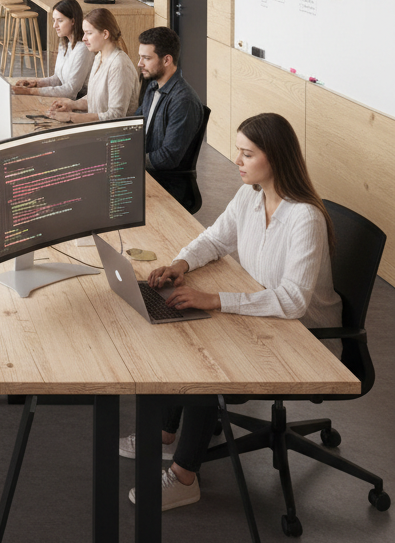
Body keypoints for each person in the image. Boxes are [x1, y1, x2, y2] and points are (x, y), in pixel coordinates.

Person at [120, 113, 342, 511]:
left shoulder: (304, 218)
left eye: (246, 154)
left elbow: (292, 301)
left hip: (306, 339)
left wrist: (214, 298)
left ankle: (185, 477)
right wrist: (181, 264)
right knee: (186, 332)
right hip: (267, 316)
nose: (236, 161)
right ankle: (166, 434)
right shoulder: (252, 193)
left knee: (210, 365)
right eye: (238, 152)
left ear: (274, 158)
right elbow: (217, 237)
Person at [47, 7, 140, 123]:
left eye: (89, 33)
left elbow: (116, 115)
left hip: (114, 137)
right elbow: (95, 98)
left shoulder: (119, 65)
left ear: (105, 34)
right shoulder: (98, 57)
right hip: (97, 130)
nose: (83, 38)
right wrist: (72, 105)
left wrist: (72, 117)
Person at [135, 26, 205, 171]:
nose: (139, 63)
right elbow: (136, 124)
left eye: (146, 58)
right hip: (146, 170)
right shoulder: (153, 86)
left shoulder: (183, 101)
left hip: (165, 182)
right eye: (140, 57)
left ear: (167, 60)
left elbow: (168, 157)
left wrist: (130, 161)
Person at [12, 0, 93, 98]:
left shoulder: (83, 49)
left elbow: (71, 91)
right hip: (66, 97)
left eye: (60, 21)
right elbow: (58, 79)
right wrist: (36, 83)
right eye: (54, 21)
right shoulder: (64, 43)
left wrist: (30, 92)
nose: (55, 26)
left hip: (80, 102)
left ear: (73, 21)